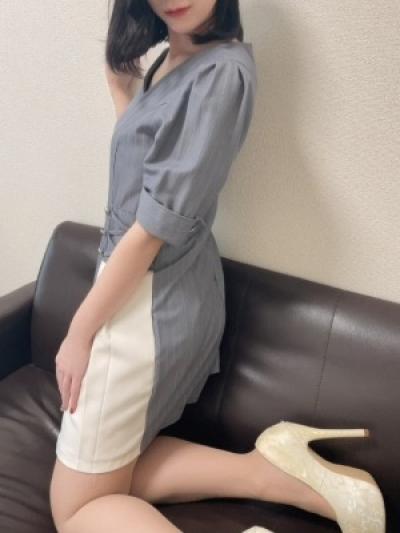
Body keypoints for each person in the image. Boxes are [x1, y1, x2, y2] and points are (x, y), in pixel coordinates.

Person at [49, 1, 385, 532]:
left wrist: (79, 332)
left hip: (145, 306)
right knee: (108, 478)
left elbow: (151, 231)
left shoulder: (221, 74)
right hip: (144, 290)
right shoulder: (173, 59)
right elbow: (146, 182)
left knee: (74, 509)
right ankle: (272, 473)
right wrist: (122, 95)